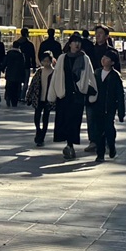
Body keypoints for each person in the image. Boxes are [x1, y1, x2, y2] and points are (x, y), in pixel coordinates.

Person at [49, 33, 97, 161]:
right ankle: (68, 145)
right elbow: (56, 76)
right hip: (64, 94)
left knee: (74, 121)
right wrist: (52, 93)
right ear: (69, 44)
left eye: (79, 42)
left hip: (78, 95)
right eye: (74, 42)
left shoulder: (85, 59)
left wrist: (94, 91)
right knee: (63, 120)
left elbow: (90, 75)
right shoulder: (62, 58)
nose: (77, 44)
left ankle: (70, 145)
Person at [88, 50, 126, 162]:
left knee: (109, 129)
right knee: (98, 130)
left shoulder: (115, 76)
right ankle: (100, 154)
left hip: (109, 108)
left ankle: (111, 145)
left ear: (112, 62)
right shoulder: (97, 73)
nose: (103, 59)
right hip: (97, 107)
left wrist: (121, 111)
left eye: (107, 58)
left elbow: (120, 95)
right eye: (103, 57)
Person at [28, 50, 57, 146]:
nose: (46, 63)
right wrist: (29, 96)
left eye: (48, 60)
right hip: (38, 98)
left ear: (51, 60)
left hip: (48, 99)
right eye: (44, 61)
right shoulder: (39, 72)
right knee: (37, 117)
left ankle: (41, 137)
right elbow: (33, 84)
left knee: (45, 118)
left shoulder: (54, 73)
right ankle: (38, 130)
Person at [3, 36, 30, 108]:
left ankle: (8, 96)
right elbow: (23, 65)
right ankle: (14, 101)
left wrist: (2, 68)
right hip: (18, 75)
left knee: (8, 87)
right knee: (17, 88)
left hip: (9, 74)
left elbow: (5, 62)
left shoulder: (9, 53)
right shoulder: (21, 55)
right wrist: (23, 76)